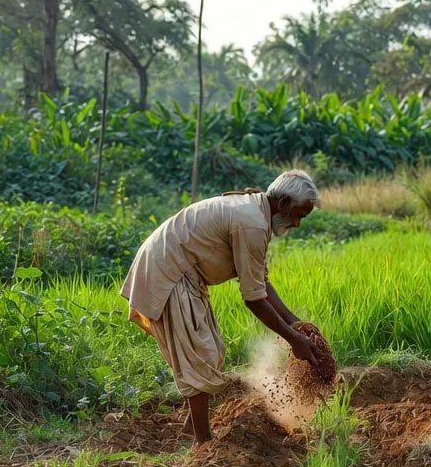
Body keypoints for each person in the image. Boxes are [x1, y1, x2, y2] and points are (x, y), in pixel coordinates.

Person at [120, 170, 322, 444]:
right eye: (298, 215)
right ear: (283, 203)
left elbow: (260, 283)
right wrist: (294, 340)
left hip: (182, 272)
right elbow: (254, 299)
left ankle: (191, 428)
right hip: (170, 270)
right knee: (199, 355)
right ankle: (202, 442)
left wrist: (297, 325)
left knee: (211, 351)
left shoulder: (256, 214)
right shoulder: (253, 223)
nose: (297, 223)